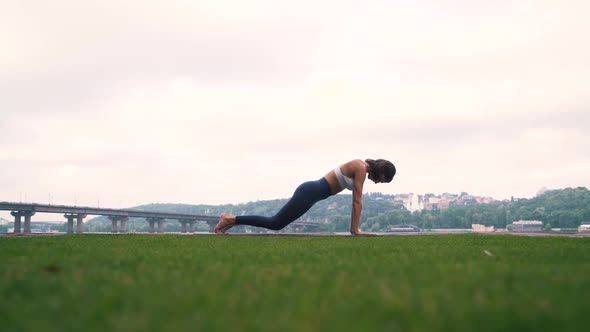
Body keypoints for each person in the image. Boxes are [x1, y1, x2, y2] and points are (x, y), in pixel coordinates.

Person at [214, 159, 396, 236]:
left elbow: (357, 202)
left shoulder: (361, 169)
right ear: (380, 171)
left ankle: (231, 220)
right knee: (274, 222)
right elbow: (357, 202)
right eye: (381, 180)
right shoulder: (360, 168)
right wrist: (355, 230)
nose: (378, 183)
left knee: (276, 224)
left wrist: (354, 230)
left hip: (312, 196)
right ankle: (230, 218)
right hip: (308, 192)